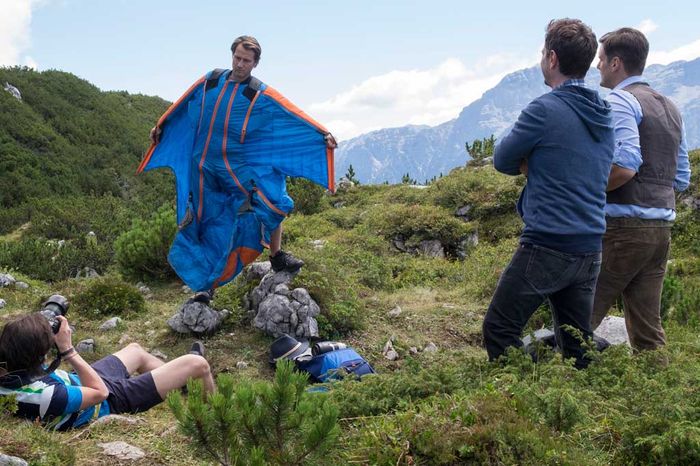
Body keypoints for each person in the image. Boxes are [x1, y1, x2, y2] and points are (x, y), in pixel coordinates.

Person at [142, 35, 337, 300]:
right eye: (237, 58)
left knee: (273, 199)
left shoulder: (257, 92)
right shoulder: (211, 80)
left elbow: (289, 114)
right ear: (231, 55)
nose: (240, 64)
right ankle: (206, 288)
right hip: (202, 168)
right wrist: (161, 125)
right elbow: (182, 104)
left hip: (235, 168)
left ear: (255, 63)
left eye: (246, 60)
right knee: (205, 224)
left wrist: (321, 134)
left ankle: (276, 255)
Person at [482, 18, 614, 369]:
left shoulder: (543, 110)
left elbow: (502, 159)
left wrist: (532, 163)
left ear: (552, 58)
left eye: (543, 52)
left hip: (548, 244)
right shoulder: (604, 113)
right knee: (576, 341)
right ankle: (576, 410)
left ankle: (524, 404)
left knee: (499, 329)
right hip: (589, 246)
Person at [591, 28, 691, 351]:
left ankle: (555, 386)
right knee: (649, 331)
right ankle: (654, 396)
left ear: (616, 63)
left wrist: (587, 191)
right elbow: (682, 177)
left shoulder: (621, 100)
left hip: (622, 229)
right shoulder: (672, 108)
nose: (597, 66)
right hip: (661, 230)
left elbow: (625, 166)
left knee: (578, 316)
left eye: (601, 59)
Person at [0, 313, 214, 430]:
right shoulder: (48, 397)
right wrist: (67, 350)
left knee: (135, 350)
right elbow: (100, 393)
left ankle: (182, 382)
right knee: (198, 363)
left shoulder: (11, 369)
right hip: (109, 399)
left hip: (82, 380)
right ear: (39, 357)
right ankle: (216, 418)